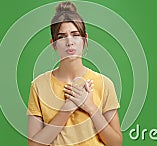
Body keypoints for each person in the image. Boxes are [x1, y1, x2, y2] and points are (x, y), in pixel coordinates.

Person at [27, 1, 122, 146]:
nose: (69, 42)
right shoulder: (39, 85)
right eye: (61, 36)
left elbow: (116, 143)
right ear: (53, 43)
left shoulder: (104, 84)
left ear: (85, 40)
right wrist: (68, 108)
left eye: (75, 35)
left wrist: (90, 106)